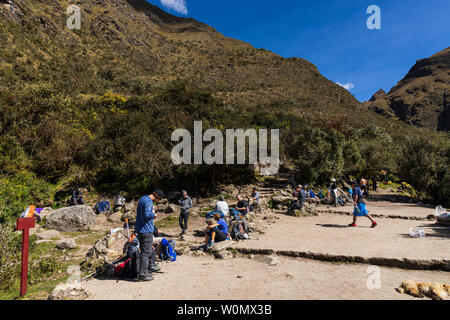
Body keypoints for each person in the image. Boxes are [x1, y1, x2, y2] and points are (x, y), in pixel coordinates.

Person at [135, 189, 164, 282]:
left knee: (143, 252)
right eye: (158, 199)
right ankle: (143, 275)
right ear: (157, 197)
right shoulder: (148, 201)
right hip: (146, 230)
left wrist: (152, 209)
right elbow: (147, 215)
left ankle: (142, 272)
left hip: (140, 229)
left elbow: (143, 212)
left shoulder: (143, 199)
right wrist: (154, 214)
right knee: (146, 252)